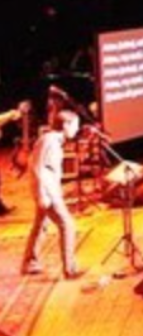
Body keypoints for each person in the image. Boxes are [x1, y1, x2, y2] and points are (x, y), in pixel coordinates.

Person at [22, 110, 82, 279]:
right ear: (66, 125)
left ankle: (30, 262)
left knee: (41, 224)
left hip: (50, 189)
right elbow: (37, 167)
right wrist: (41, 194)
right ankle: (70, 269)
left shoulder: (53, 141)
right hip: (47, 191)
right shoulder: (48, 140)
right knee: (67, 224)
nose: (77, 129)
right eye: (75, 125)